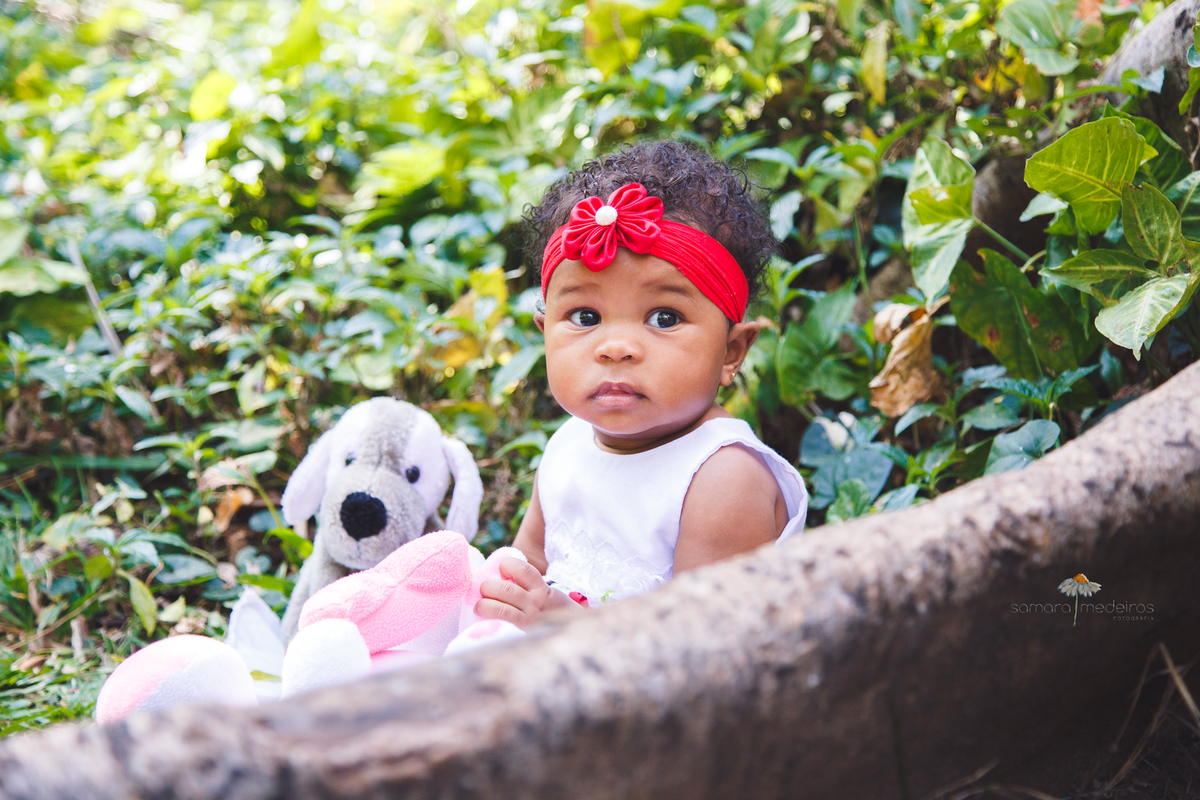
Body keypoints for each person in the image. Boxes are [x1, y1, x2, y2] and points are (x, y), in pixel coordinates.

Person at [476, 140, 808, 627]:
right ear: (545, 333)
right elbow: (530, 562)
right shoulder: (569, 443)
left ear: (731, 352)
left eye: (665, 317)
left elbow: (696, 653)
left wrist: (554, 620)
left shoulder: (722, 479)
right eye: (586, 316)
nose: (616, 347)